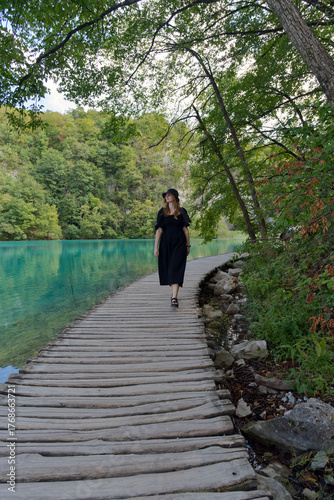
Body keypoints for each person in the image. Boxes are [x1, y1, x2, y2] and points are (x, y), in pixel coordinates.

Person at [154, 188, 191, 307]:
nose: (167, 197)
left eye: (169, 195)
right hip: (165, 244)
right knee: (169, 269)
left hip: (179, 243)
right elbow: (159, 230)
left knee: (176, 268)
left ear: (175, 197)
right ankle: (173, 295)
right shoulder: (162, 212)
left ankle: (174, 297)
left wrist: (188, 245)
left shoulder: (182, 211)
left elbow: (185, 229)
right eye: (166, 195)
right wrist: (156, 247)